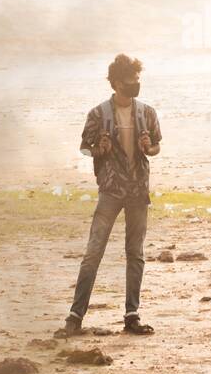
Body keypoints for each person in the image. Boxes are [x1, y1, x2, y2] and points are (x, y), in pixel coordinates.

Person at [58, 53, 162, 337]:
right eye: (131, 81)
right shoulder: (98, 114)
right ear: (117, 83)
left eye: (137, 80)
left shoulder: (147, 113)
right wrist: (99, 149)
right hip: (111, 190)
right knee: (94, 252)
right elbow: (83, 148)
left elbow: (156, 148)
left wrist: (147, 147)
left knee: (135, 253)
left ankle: (132, 315)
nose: (135, 85)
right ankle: (75, 316)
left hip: (138, 190)